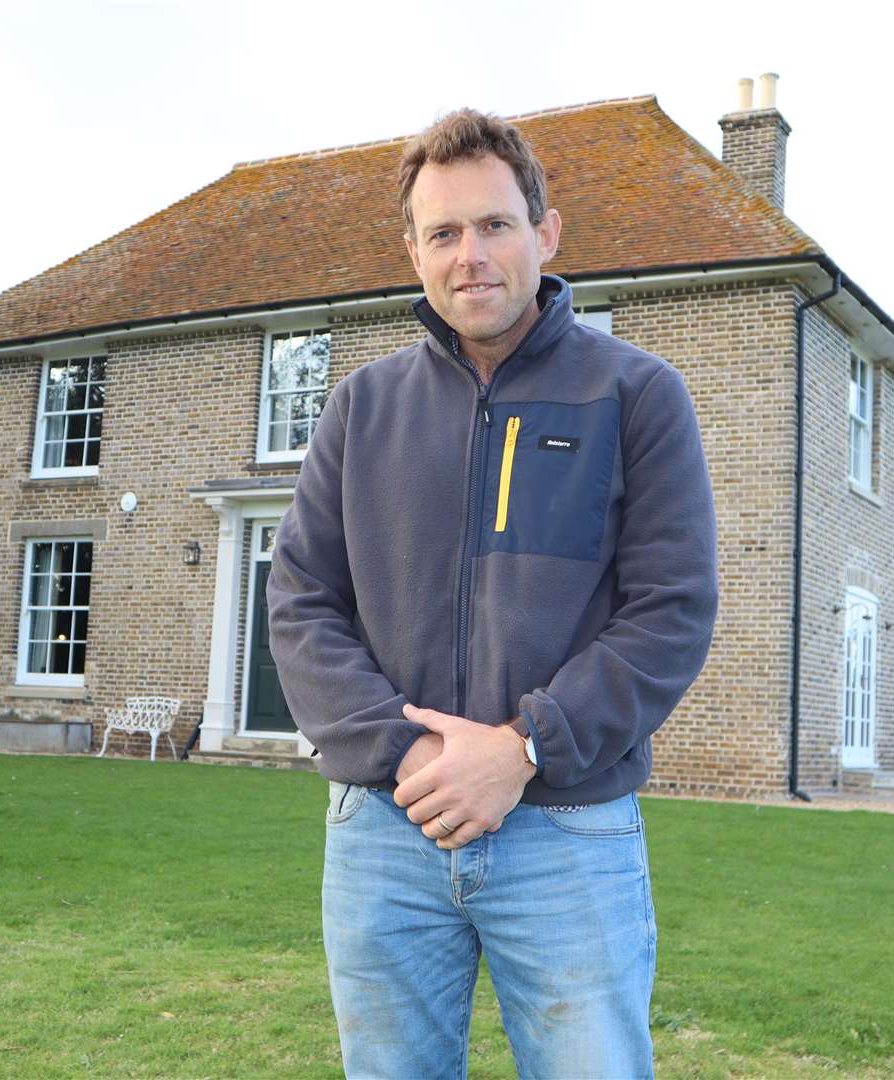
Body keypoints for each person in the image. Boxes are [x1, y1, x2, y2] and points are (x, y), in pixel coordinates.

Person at [267, 108, 717, 1079]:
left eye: (494, 225)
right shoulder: (360, 407)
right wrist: (415, 753)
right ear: (413, 252)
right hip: (386, 827)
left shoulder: (636, 394)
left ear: (545, 235)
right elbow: (302, 601)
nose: (470, 254)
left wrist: (523, 748)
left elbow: (672, 608)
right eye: (443, 233)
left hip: (568, 832)